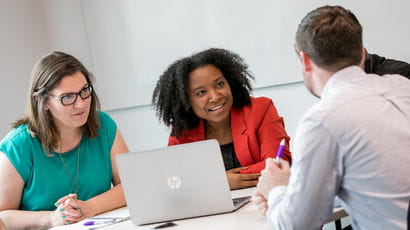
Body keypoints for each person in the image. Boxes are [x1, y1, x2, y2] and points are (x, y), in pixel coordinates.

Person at [254, 5, 410, 230]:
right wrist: (294, 191)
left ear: (305, 60)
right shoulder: (403, 87)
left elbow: (297, 225)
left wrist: (277, 190)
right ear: (362, 53)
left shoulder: (322, 122)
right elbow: (380, 185)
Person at [0, 51, 129, 229]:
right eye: (67, 97)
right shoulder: (18, 145)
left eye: (84, 91)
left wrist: (90, 207)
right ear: (43, 102)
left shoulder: (103, 125)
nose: (81, 104)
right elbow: (2, 217)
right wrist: (52, 219)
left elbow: (130, 186)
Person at [152, 48, 291, 190]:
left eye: (219, 84)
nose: (215, 96)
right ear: (186, 101)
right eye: (201, 93)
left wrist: (213, 182)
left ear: (230, 82)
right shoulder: (183, 130)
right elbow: (174, 181)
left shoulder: (260, 109)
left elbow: (277, 164)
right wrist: (218, 182)